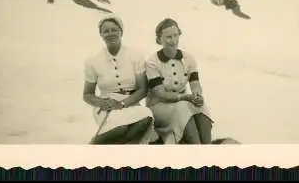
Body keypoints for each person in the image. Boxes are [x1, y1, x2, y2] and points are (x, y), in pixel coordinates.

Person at [82, 14, 155, 144]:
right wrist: (101, 102)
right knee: (121, 128)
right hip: (106, 106)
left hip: (131, 103)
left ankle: (105, 145)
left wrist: (122, 104)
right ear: (101, 35)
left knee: (146, 118)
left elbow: (142, 89)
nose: (110, 34)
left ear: (121, 31)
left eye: (114, 30)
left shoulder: (135, 55)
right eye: (106, 31)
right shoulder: (93, 61)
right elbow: (87, 94)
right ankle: (96, 145)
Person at [145, 18, 214, 144]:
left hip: (183, 101)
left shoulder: (188, 58)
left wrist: (197, 95)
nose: (174, 40)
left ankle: (207, 148)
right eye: (169, 37)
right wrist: (186, 97)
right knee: (182, 107)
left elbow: (195, 83)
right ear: (160, 39)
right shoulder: (152, 62)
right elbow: (162, 94)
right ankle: (196, 147)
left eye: (176, 35)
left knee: (200, 105)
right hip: (159, 106)